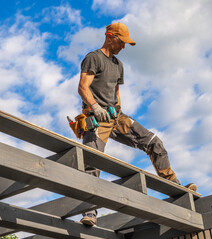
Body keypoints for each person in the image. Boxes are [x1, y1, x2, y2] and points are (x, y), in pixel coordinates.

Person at [77, 22, 197, 227]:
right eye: (121, 42)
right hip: (96, 118)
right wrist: (96, 107)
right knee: (92, 161)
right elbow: (82, 87)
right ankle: (90, 212)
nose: (123, 46)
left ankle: (176, 188)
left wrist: (118, 109)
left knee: (153, 142)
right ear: (109, 36)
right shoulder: (93, 58)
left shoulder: (118, 65)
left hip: (116, 117)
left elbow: (116, 92)